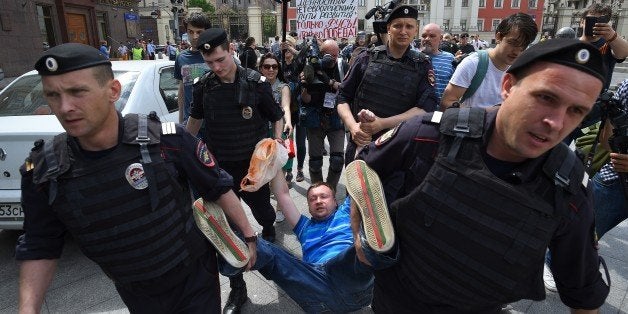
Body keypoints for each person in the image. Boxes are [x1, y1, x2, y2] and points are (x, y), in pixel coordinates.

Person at [355, 39, 610, 313]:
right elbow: (363, 169)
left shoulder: (569, 188)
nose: (556, 123)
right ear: (508, 87)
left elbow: (583, 294)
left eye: (576, 111)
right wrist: (361, 233)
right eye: (546, 97)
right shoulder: (428, 134)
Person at [15, 43, 258, 313]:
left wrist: (249, 236)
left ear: (113, 91)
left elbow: (217, 186)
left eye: (77, 92)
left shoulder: (166, 139)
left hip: (193, 277)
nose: (65, 107)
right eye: (53, 95)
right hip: (135, 290)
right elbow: (39, 244)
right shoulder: (44, 168)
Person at [214, 157, 397, 313]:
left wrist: (364, 141)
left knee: (358, 252)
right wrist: (275, 159)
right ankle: (235, 257)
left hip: (353, 281)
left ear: (336, 201)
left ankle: (377, 247)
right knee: (267, 252)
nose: (318, 201)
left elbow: (359, 176)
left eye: (324, 197)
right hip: (316, 290)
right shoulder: (304, 227)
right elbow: (283, 194)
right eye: (312, 198)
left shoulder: (346, 212)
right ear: (307, 206)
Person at [185, 28, 284, 314]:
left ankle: (268, 230)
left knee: (264, 212)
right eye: (210, 62)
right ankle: (238, 288)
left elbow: (276, 117)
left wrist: (276, 143)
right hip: (219, 170)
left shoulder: (256, 83)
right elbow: (194, 121)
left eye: (220, 59)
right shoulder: (203, 86)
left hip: (252, 169)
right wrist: (183, 148)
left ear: (230, 49)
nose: (216, 67)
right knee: (226, 231)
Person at [337, 5, 438, 165]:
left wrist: (382, 124)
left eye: (409, 26)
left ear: (415, 30)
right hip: (363, 145)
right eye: (398, 25)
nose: (403, 31)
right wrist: (352, 126)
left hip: (401, 149)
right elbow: (342, 97)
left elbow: (425, 109)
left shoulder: (423, 65)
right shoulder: (366, 58)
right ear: (388, 28)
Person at [441, 13, 538, 109]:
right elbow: (447, 101)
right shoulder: (473, 63)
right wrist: (484, 117)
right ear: (498, 37)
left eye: (523, 46)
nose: (517, 51)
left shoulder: (520, 71)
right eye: (513, 43)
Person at [300, 39, 347, 192]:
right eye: (329, 55)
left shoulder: (342, 66)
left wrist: (328, 80)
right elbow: (305, 100)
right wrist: (305, 86)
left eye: (336, 55)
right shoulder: (310, 68)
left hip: (336, 117)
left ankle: (331, 191)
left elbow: (346, 90)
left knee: (337, 160)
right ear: (320, 54)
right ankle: (319, 191)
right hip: (315, 118)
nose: (333, 59)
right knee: (315, 162)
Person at [258, 53, 293, 221]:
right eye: (267, 66)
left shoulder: (283, 87)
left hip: (279, 132)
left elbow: (285, 106)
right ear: (260, 68)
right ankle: (267, 209)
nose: (271, 69)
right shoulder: (255, 85)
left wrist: (288, 122)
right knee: (264, 173)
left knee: (280, 171)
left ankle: (280, 208)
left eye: (274, 67)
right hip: (260, 133)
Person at [593, 78, 628, 240]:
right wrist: (610, 113)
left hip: (615, 181)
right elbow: (607, 143)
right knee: (573, 246)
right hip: (615, 180)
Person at [174, 13, 212, 126]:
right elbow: (182, 90)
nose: (194, 36)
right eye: (190, 32)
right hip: (190, 123)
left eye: (199, 32)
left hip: (214, 124)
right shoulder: (181, 58)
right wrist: (181, 121)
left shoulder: (215, 56)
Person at [281, 35, 308, 184]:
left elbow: (305, 53)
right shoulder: (280, 65)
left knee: (301, 142)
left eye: (289, 47)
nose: (286, 51)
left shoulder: (297, 64)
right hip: (286, 110)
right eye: (284, 48)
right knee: (287, 141)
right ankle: (289, 170)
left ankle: (300, 169)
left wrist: (291, 47)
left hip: (299, 108)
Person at [419, 23, 455, 102]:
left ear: (441, 38)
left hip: (441, 111)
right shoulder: (413, 57)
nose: (427, 39)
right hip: (417, 111)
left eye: (432, 36)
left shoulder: (450, 58)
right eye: (424, 36)